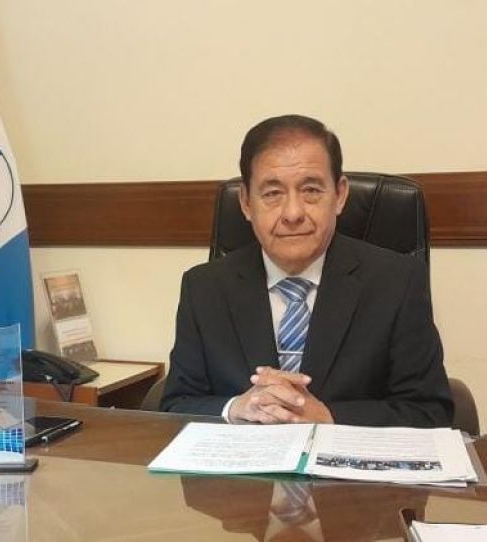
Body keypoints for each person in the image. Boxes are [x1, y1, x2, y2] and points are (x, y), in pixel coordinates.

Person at [161, 114, 453, 427]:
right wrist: (236, 408)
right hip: (244, 458)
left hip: (347, 459)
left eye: (311, 190)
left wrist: (329, 417)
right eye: (272, 193)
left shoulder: (397, 282)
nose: (292, 213)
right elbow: (175, 404)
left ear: (340, 195)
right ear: (245, 203)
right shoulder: (204, 288)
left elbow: (430, 413)